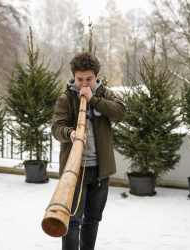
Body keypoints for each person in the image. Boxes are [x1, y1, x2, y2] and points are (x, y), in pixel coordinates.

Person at [51, 51, 127, 250]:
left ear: (97, 77)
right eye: (79, 79)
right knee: (72, 219)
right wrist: (70, 133)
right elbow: (56, 128)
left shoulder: (105, 94)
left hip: (100, 171)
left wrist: (93, 99)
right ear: (73, 77)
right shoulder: (65, 99)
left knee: (93, 219)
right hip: (75, 171)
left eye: (89, 79)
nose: (84, 84)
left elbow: (120, 113)